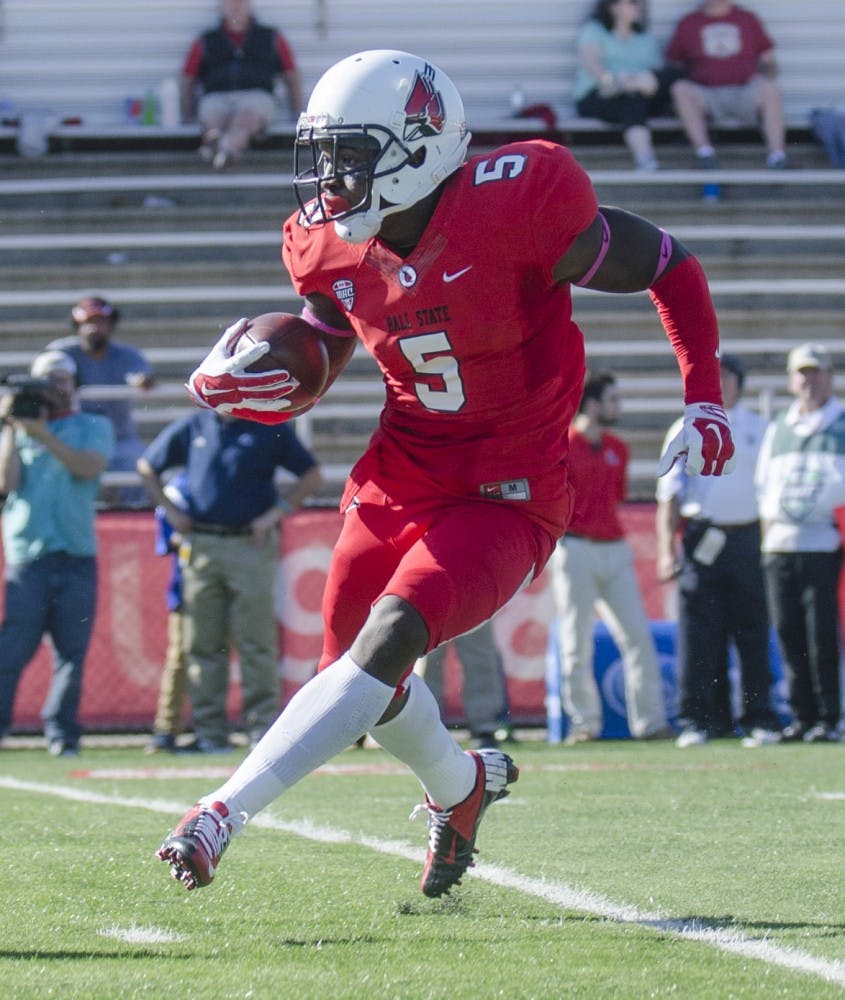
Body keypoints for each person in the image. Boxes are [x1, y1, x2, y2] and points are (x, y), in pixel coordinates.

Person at [155, 48, 735, 898]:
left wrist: (705, 396)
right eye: (323, 156)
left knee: (387, 639)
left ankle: (217, 815)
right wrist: (260, 370)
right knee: (356, 680)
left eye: (350, 155)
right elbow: (327, 330)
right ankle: (461, 787)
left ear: (419, 145)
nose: (330, 178)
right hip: (401, 474)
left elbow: (666, 263)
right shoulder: (327, 244)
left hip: (510, 488)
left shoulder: (520, 202)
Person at [136, 409, 322, 753]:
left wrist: (277, 512)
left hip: (249, 544)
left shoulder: (269, 424)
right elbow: (147, 467)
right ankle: (210, 732)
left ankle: (262, 732)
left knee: (256, 640)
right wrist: (170, 510)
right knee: (201, 643)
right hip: (202, 544)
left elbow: (310, 474)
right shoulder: (193, 425)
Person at [656, 353, 780, 748]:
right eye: (714, 376)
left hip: (747, 537)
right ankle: (699, 718)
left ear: (740, 383)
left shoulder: (762, 429)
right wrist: (665, 550)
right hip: (701, 537)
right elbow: (669, 496)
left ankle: (758, 717)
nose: (721, 383)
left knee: (752, 630)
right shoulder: (686, 426)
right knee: (699, 633)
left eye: (728, 377)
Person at [0, 350, 114, 755]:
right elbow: (6, 482)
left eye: (64, 378)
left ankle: (62, 734)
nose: (57, 386)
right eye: (49, 379)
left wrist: (44, 435)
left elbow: (88, 467)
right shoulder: (17, 429)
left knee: (72, 652)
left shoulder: (93, 425)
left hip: (76, 553)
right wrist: (12, 427)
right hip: (28, 555)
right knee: (11, 649)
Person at [548, 370, 672, 744]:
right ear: (593, 403)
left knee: (637, 636)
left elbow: (614, 499)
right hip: (575, 548)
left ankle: (650, 723)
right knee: (574, 641)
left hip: (613, 548)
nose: (619, 406)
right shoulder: (563, 444)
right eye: (613, 398)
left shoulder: (619, 447)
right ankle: (584, 724)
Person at [755, 344, 845, 743]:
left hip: (824, 543)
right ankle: (802, 716)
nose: (809, 380)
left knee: (822, 635)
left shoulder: (841, 423)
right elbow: (763, 488)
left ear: (830, 377)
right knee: (790, 635)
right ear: (792, 380)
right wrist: (766, 539)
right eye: (802, 373)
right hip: (781, 545)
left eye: (817, 372)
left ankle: (830, 717)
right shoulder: (779, 427)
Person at [47, 295, 155, 508]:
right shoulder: (61, 352)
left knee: (141, 466)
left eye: (100, 322)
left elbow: (140, 376)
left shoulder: (126, 354)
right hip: (76, 437)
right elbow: (47, 372)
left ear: (111, 325)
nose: (94, 328)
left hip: (120, 438)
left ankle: (131, 524)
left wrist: (141, 380)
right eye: (88, 322)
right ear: (77, 325)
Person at [180, 0, 304, 171]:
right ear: (222, 7)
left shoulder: (271, 37)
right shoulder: (206, 40)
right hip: (216, 95)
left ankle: (219, 148)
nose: (235, 6)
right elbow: (188, 78)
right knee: (213, 115)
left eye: (240, 2)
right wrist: (188, 114)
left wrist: (296, 112)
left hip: (257, 96)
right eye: (230, 2)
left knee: (246, 117)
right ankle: (226, 149)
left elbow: (291, 75)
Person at [666, 0, 790, 169]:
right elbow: (673, 64)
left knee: (770, 88)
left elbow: (769, 61)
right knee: (680, 89)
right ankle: (705, 155)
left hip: (744, 92)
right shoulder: (689, 22)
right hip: (707, 96)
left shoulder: (747, 19)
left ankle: (777, 156)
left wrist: (764, 75)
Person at [574, 0, 682, 171]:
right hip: (600, 96)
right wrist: (619, 82)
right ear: (614, 7)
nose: (638, 6)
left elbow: (656, 75)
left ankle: (648, 162)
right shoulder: (594, 31)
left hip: (641, 94)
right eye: (632, 2)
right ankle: (646, 160)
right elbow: (593, 65)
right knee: (631, 99)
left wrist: (638, 83)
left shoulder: (645, 37)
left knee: (673, 77)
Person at [144, 472, 190, 755]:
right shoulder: (179, 489)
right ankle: (167, 728)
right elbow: (170, 538)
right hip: (187, 584)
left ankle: (227, 730)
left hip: (235, 576)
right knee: (180, 656)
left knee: (249, 649)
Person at [417, 619, 509, 750]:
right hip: (431, 600)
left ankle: (484, 729)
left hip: (472, 599)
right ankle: (423, 725)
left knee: (479, 657)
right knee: (426, 658)